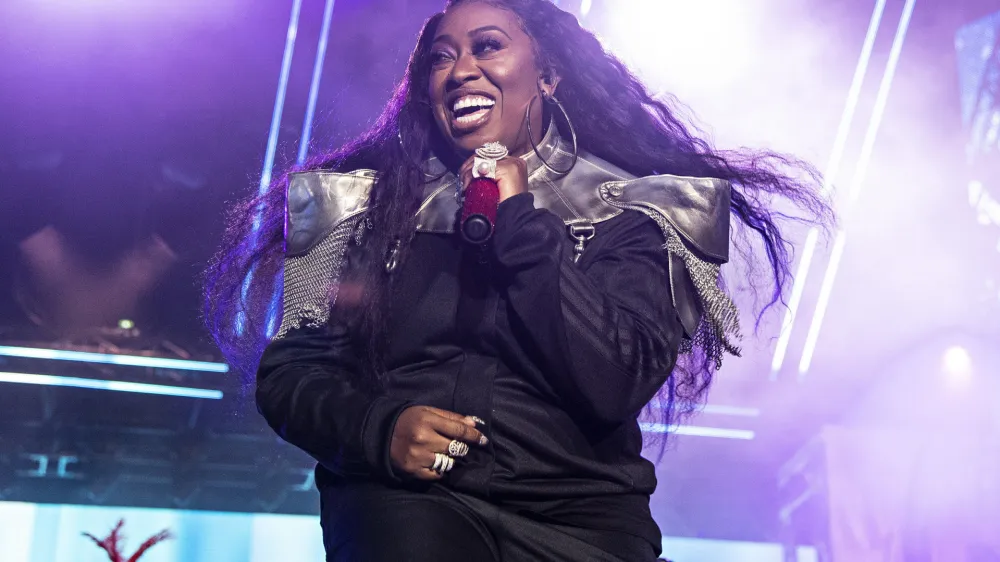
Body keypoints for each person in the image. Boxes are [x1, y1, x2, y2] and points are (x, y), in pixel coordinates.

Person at [204, 1, 830, 560]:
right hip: (408, 504)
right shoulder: (364, 209)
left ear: (548, 75)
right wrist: (379, 429)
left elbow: (614, 381)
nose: (461, 70)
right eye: (441, 58)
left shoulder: (641, 210)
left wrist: (522, 224)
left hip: (584, 521)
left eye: (488, 46)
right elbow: (292, 374)